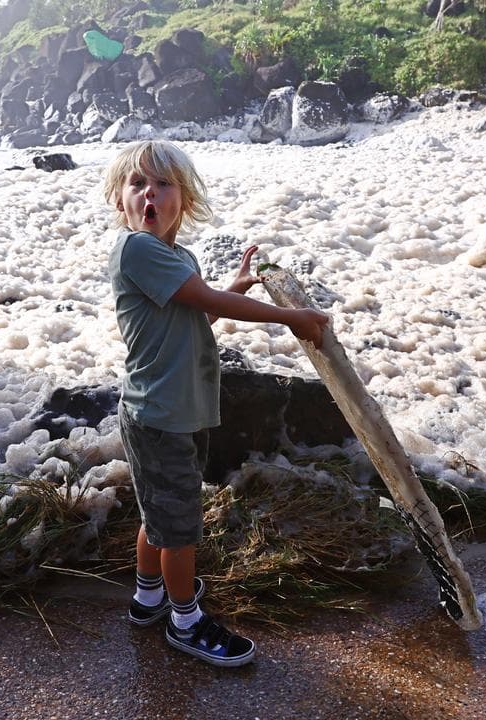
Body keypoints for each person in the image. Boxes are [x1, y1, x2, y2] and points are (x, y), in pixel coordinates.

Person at [104, 140, 328, 667]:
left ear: (184, 198)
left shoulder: (178, 256)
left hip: (170, 411)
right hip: (160, 416)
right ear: (120, 201)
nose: (149, 194)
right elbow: (207, 302)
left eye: (163, 184)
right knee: (179, 530)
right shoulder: (136, 249)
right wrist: (291, 318)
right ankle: (185, 622)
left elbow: (194, 317)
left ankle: (148, 598)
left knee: (159, 516)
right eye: (137, 185)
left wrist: (234, 286)